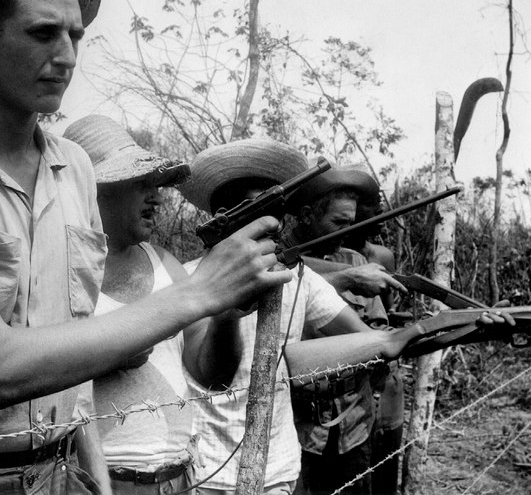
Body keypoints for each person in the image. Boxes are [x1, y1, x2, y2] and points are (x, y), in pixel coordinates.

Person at [0, 0, 292, 495]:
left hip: (59, 471)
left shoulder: (74, 167)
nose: (66, 56)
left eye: (76, 36)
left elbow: (70, 350)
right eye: (43, 33)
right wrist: (202, 292)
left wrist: (95, 478)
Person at [179, 139, 390, 495]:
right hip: (205, 472)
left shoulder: (300, 277)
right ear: (222, 218)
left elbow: (365, 339)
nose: (271, 222)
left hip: (279, 471)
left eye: (275, 209)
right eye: (256, 209)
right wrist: (226, 316)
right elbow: (215, 377)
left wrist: (437, 329)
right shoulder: (186, 280)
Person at [64, 114, 245, 494]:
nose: (156, 197)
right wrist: (111, 352)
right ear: (93, 190)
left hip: (176, 477)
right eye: (140, 184)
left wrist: (226, 316)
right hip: (99, 481)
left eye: (156, 184)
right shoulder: (57, 271)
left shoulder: (165, 263)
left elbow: (212, 375)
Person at [283, 165, 404, 495]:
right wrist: (347, 280)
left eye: (350, 224)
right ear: (307, 215)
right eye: (338, 223)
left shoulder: (353, 260)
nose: (346, 232)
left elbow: (377, 327)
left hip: (353, 423)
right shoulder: (276, 263)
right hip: (296, 427)